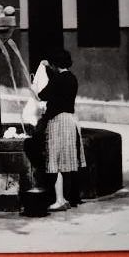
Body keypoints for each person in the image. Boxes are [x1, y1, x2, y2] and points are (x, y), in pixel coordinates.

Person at [37, 49, 85, 210]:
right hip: (70, 121)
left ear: (56, 64)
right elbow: (58, 85)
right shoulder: (72, 78)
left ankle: (60, 200)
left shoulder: (57, 79)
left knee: (55, 161)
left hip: (57, 121)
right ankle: (71, 197)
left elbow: (43, 94)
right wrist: (50, 69)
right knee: (68, 161)